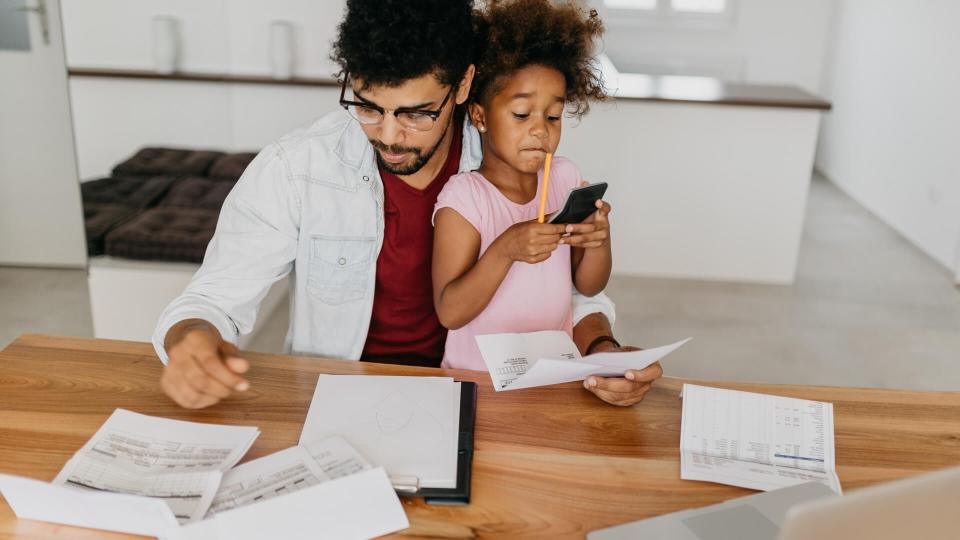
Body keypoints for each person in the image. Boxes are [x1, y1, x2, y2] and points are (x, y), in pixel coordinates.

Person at [153, 0, 662, 410]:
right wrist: (191, 343)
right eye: (369, 106)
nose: (390, 135)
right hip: (345, 393)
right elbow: (213, 299)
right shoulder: (298, 167)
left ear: (463, 86)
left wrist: (602, 352)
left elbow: (565, 289)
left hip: (486, 392)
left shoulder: (516, 155)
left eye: (417, 113)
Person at [433, 0, 611, 370]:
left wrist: (599, 239)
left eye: (553, 116)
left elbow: (589, 285)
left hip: (551, 371)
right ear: (480, 115)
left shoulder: (564, 177)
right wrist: (505, 249)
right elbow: (450, 312)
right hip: (478, 379)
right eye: (520, 114)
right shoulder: (464, 198)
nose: (540, 129)